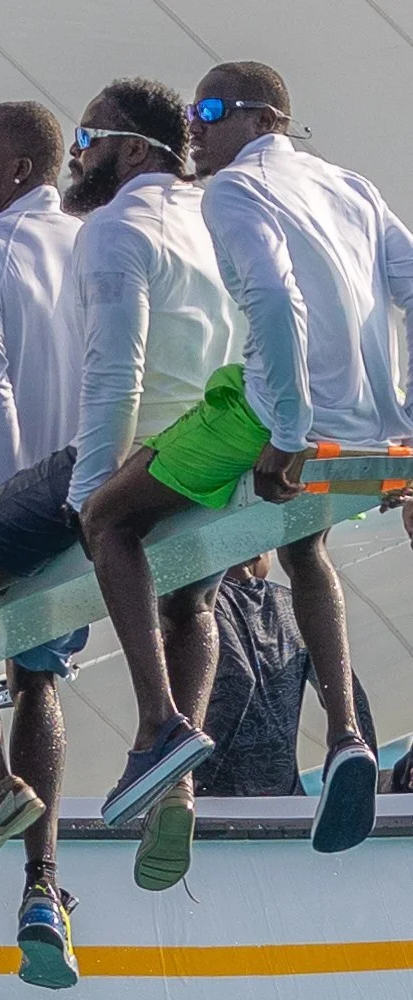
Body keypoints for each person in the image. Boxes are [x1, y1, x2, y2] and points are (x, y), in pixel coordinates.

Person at [0, 81, 242, 987]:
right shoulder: (212, 221)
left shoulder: (103, 229)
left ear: (132, 150)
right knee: (184, 598)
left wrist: (89, 494)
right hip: (206, 453)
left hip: (118, 455)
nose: (77, 160)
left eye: (91, 139)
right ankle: (144, 804)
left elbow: (110, 370)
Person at [79, 60, 413, 857]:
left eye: (215, 108)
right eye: (193, 110)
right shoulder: (353, 187)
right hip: (373, 431)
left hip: (276, 415)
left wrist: (287, 430)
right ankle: (344, 737)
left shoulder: (233, 190)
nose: (195, 124)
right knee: (304, 549)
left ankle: (160, 725)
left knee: (107, 518)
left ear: (269, 119)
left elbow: (270, 298)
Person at [195, 554, 376, 799]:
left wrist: (195, 778)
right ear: (258, 553)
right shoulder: (294, 603)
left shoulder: (201, 608)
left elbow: (236, 682)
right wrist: (366, 775)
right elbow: (351, 693)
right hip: (287, 793)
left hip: (220, 793)